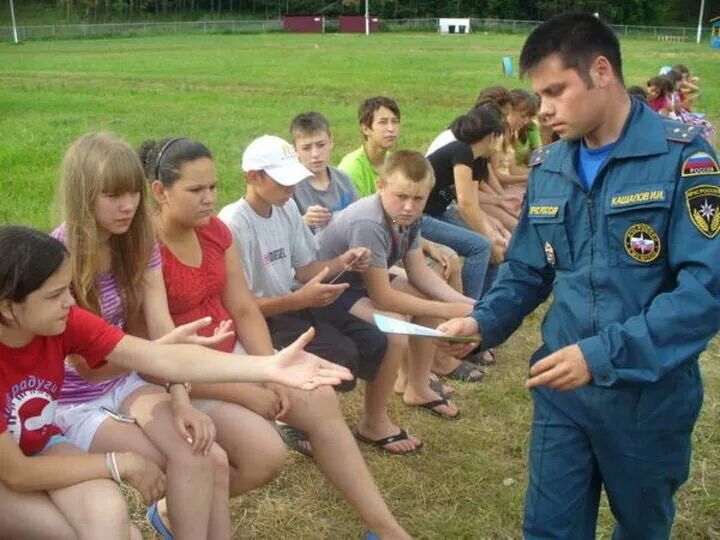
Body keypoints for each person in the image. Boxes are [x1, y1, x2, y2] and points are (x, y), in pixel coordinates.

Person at [438, 12, 720, 539]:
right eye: (538, 95)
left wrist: (601, 355)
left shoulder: (683, 158)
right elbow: (526, 268)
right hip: (561, 391)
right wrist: (482, 321)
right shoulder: (550, 167)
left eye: (555, 91)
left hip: (647, 396)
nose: (542, 110)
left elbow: (705, 292)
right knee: (548, 531)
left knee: (641, 527)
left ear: (601, 71)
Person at [0, 225, 351, 539]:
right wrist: (118, 462)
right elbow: (16, 473)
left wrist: (267, 367)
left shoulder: (62, 321)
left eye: (68, 290)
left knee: (112, 518)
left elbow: (159, 358)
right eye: (54, 295)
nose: (70, 303)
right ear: (8, 308)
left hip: (42, 442)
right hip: (13, 470)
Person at [219, 134, 413, 538]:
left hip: (296, 300)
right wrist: (298, 298)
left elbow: (305, 266)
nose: (291, 187)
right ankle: (302, 423)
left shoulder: (286, 206)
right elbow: (243, 305)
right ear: (252, 177)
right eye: (281, 179)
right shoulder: (234, 223)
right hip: (268, 316)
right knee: (337, 360)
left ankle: (345, 424)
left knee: (373, 341)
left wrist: (342, 262)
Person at [139, 137, 291, 503]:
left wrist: (269, 367)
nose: (209, 198)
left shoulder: (215, 230)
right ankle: (174, 512)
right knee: (266, 457)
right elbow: (151, 360)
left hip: (229, 352)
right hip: (184, 373)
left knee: (316, 397)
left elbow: (243, 308)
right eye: (195, 189)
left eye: (213, 187)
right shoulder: (145, 250)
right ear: (160, 191)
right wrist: (244, 390)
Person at [318, 150, 476, 417]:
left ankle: (416, 384)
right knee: (396, 329)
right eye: (401, 197)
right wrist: (450, 311)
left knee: (428, 299)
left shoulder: (407, 217)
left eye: (418, 199)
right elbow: (383, 298)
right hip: (331, 289)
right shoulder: (368, 222)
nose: (409, 207)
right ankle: (374, 421)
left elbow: (418, 271)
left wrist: (466, 303)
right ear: (380, 186)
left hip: (363, 280)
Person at [422, 106, 506, 300]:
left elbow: (473, 203)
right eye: (502, 136)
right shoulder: (461, 151)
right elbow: (465, 204)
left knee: (491, 244)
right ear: (493, 136)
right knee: (481, 246)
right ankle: (470, 307)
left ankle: (487, 304)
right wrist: (489, 238)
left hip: (437, 214)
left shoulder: (477, 159)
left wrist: (492, 233)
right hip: (419, 217)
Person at [289, 111, 359, 233]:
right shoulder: (289, 187)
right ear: (295, 149)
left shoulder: (344, 180)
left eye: (321, 145)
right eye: (306, 148)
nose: (315, 154)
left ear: (331, 141)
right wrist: (303, 221)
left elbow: (359, 219)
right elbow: (278, 232)